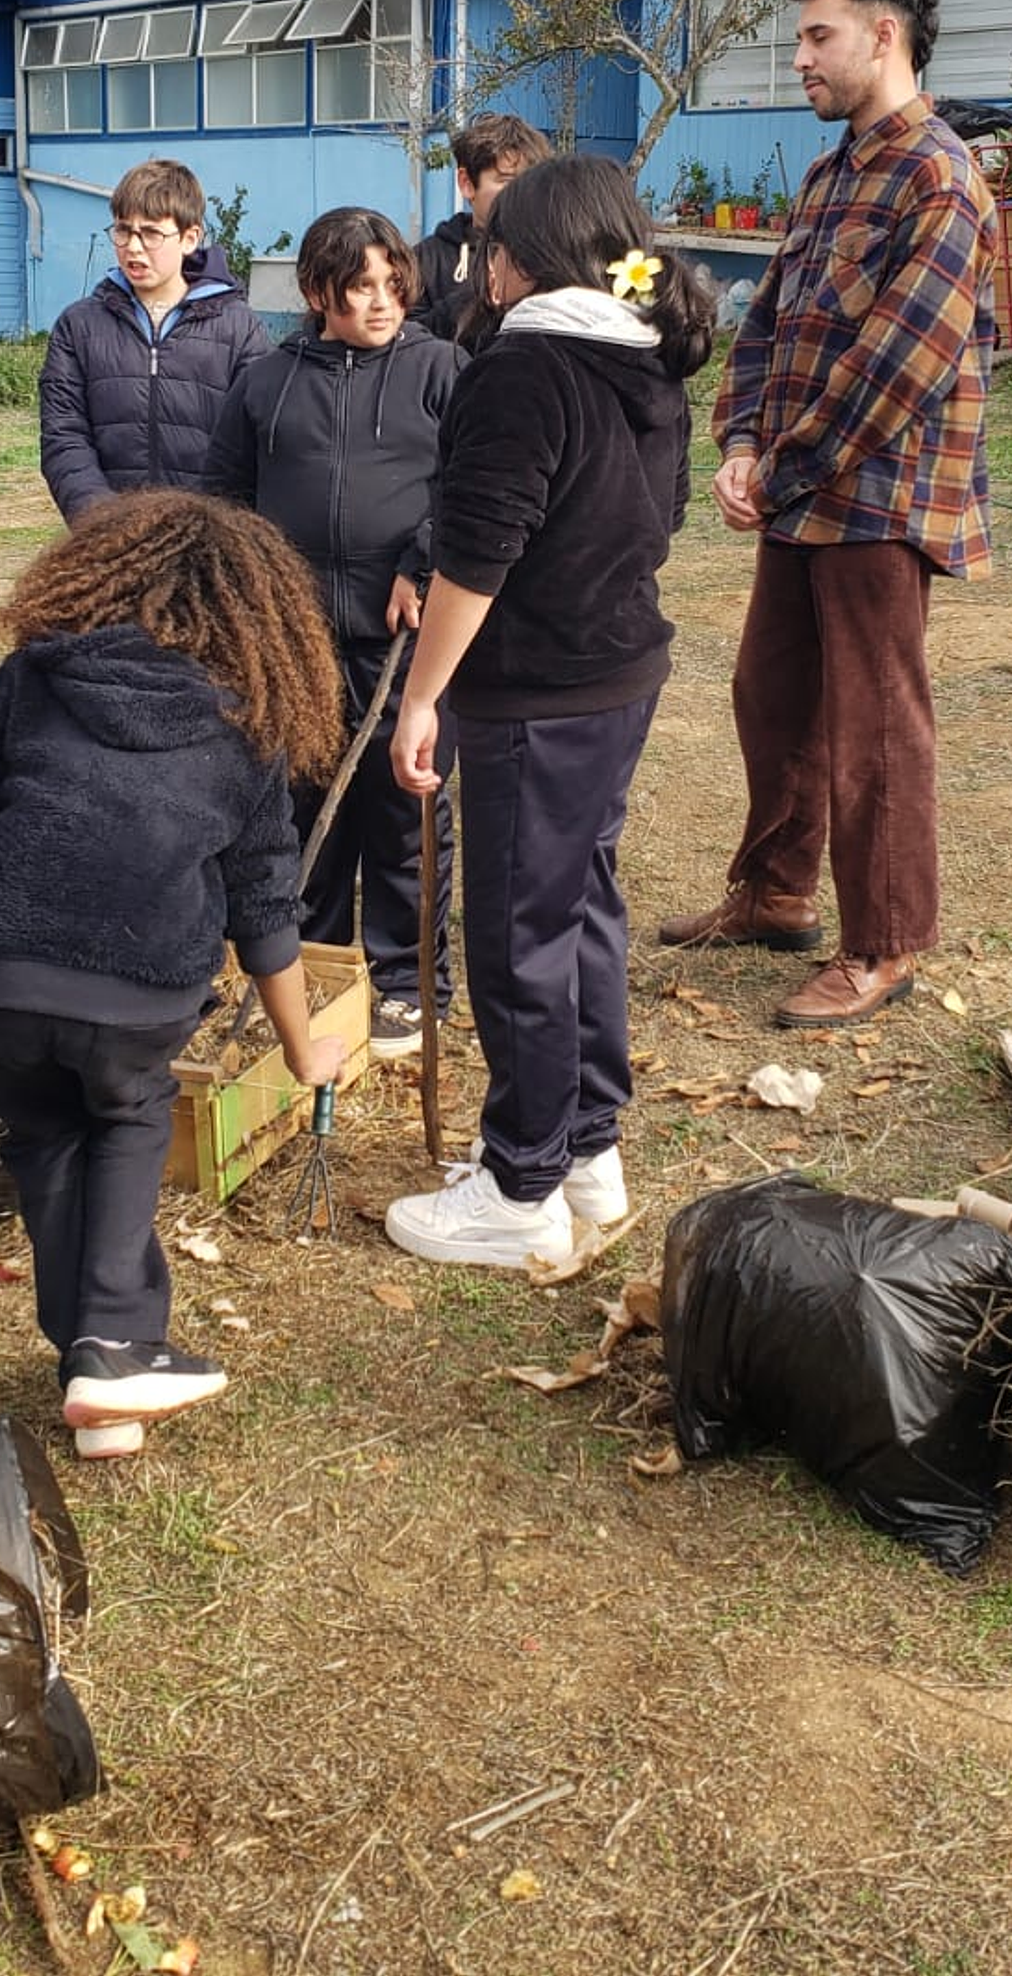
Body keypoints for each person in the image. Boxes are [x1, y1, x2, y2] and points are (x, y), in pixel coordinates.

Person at [0, 490, 346, 1462]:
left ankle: (93, 1370)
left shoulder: (34, 673)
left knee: (45, 1139)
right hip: (136, 992)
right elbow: (266, 913)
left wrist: (17, 924)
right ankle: (114, 1342)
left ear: (94, 574)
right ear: (259, 612)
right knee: (124, 1120)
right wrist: (302, 1046)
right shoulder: (249, 720)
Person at [659, 0, 997, 1028]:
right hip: (802, 493)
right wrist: (744, 440)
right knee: (772, 696)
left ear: (882, 36)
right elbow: (767, 325)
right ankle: (774, 893)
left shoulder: (941, 178)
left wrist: (785, 463)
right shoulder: (831, 172)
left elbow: (899, 365)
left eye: (817, 36)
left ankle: (886, 942)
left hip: (880, 501)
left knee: (875, 724)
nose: (798, 57)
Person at [386, 156, 715, 1269]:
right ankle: (587, 1150)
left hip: (541, 691)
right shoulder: (647, 353)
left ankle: (522, 1181)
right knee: (582, 910)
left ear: (515, 259)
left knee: (526, 930)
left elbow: (475, 555)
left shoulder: (527, 364)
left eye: (489, 245)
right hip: (619, 672)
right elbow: (663, 518)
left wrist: (422, 694)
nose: (480, 264)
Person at [205, 207, 463, 1060]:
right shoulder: (268, 381)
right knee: (303, 806)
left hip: (403, 638)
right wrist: (256, 596)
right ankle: (314, 968)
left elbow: (471, 486)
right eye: (361, 288)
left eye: (395, 285)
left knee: (401, 807)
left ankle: (406, 983)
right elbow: (227, 496)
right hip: (300, 639)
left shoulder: (442, 370)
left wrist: (422, 563)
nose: (383, 303)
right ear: (319, 291)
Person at [39, 158, 268, 522]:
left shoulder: (239, 328)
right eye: (123, 230)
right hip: (108, 539)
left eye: (151, 234)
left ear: (190, 238)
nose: (133, 246)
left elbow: (253, 445)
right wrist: (101, 519)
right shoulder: (78, 326)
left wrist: (213, 527)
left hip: (207, 538)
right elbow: (64, 436)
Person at [414, 111, 551, 346]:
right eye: (506, 181)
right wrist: (477, 300)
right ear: (466, 183)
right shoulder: (425, 259)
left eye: (529, 181)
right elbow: (405, 341)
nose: (521, 193)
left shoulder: (553, 254)